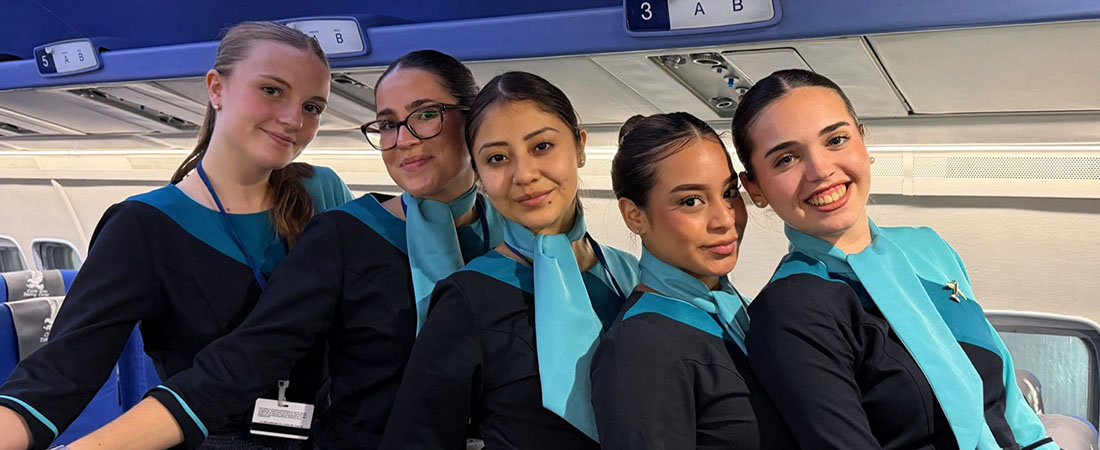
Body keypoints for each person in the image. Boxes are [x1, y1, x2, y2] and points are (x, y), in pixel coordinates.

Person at [56, 50, 502, 450]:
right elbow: (244, 359)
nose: (403, 139)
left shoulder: (520, 236)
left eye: (426, 114)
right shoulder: (346, 234)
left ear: (473, 119)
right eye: (387, 124)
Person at [0, 21, 353, 450]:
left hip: (329, 433)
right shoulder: (143, 226)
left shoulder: (322, 193)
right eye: (272, 90)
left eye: (312, 107)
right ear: (217, 88)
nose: (294, 119)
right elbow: (58, 375)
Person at [734, 69, 1055, 450]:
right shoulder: (790, 311)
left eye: (836, 140)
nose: (820, 171)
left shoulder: (928, 248)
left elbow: (1012, 408)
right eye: (787, 159)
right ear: (755, 188)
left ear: (862, 140)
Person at [380, 71, 639, 450]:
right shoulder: (467, 299)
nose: (525, 175)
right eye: (497, 158)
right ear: (479, 173)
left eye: (542, 146)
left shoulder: (630, 274)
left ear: (580, 147)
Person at [590, 112, 795, 449]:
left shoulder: (741, 313)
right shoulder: (640, 348)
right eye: (691, 201)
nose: (724, 219)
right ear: (634, 215)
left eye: (729, 192)